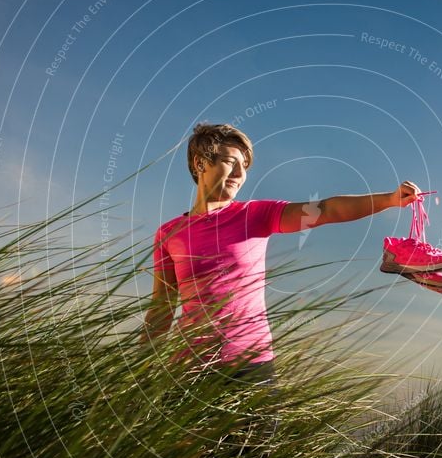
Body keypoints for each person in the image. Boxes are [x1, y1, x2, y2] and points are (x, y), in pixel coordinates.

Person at [140, 122, 424, 383]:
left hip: (251, 364)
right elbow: (161, 309)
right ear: (201, 163)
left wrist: (388, 200)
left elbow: (326, 210)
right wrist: (139, 370)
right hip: (189, 368)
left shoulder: (256, 215)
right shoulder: (169, 233)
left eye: (245, 166)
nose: (240, 175)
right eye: (230, 162)